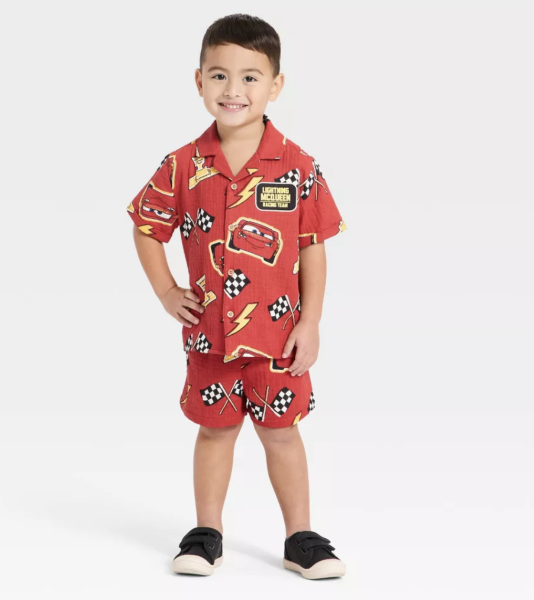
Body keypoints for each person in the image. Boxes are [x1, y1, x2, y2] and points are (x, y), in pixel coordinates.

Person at [126, 13, 347, 580]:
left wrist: (311, 322)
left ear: (276, 85)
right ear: (199, 81)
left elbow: (313, 247)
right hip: (210, 337)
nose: (234, 89)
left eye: (251, 77)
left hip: (279, 339)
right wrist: (167, 291)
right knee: (214, 430)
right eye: (220, 75)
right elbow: (147, 226)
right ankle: (207, 533)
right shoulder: (182, 165)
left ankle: (301, 537)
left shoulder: (298, 166)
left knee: (282, 433)